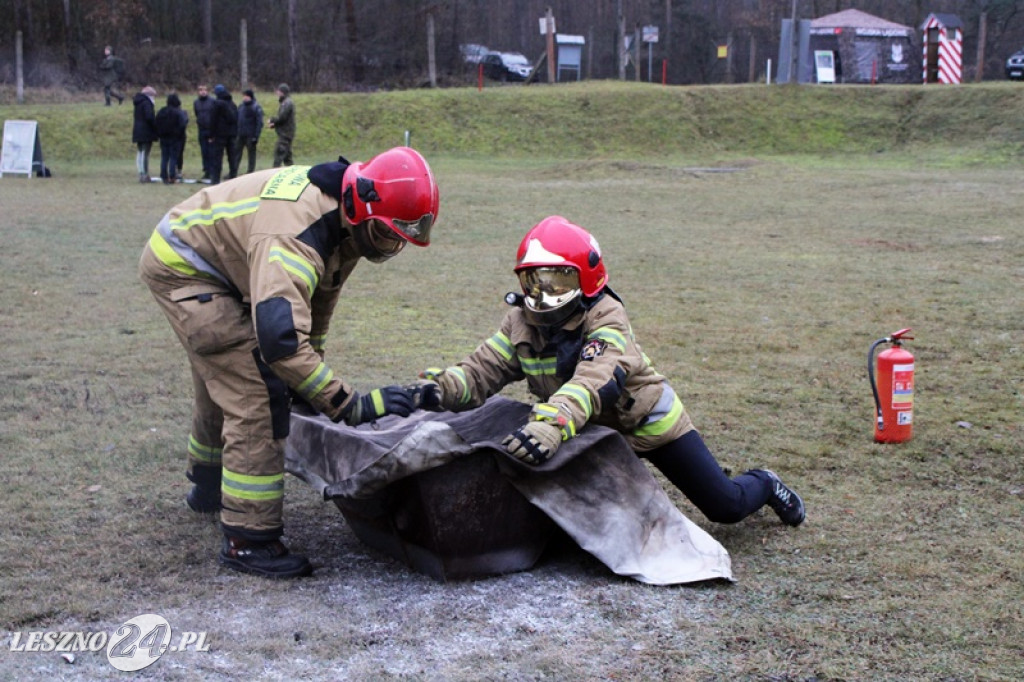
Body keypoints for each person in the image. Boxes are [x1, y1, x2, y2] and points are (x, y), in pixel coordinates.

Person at [138, 146, 440, 578]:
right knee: (255, 393)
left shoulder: (350, 220)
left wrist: (309, 376)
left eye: (400, 238)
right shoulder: (297, 232)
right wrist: (348, 404)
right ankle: (249, 539)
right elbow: (280, 342)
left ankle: (208, 484)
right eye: (387, 234)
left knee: (222, 376)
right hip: (187, 267)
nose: (390, 245)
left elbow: (318, 299)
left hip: (216, 257)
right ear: (360, 207)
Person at [416, 216, 806, 529]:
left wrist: (552, 423)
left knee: (725, 506)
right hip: (586, 433)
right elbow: (482, 368)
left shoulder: (607, 317)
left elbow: (595, 378)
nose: (543, 295)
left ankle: (765, 482)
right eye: (533, 281)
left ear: (587, 278)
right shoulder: (520, 321)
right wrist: (443, 388)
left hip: (647, 425)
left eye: (558, 280)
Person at [155, 93, 189, 184]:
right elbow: (183, 124)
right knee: (173, 157)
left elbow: (156, 123)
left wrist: (159, 134)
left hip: (163, 138)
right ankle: (172, 175)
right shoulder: (178, 112)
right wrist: (179, 134)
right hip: (175, 138)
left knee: (164, 157)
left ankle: (163, 175)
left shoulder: (162, 111)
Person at [208, 84, 239, 184]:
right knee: (232, 157)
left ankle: (215, 180)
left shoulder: (216, 104)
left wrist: (211, 135)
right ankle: (234, 176)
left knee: (217, 158)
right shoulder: (233, 104)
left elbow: (213, 120)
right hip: (232, 135)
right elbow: (236, 119)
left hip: (219, 135)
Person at [132, 86, 158, 183]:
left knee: (140, 152)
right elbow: (149, 117)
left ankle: (140, 172)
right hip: (146, 131)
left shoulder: (138, 103)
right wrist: (155, 126)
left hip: (138, 130)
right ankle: (145, 174)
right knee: (145, 153)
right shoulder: (147, 103)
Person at [235, 89, 264, 175]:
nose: (245, 98)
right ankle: (234, 170)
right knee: (236, 153)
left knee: (251, 154)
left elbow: (259, 123)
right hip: (240, 134)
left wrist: (256, 136)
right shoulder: (241, 106)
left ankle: (250, 171)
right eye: (244, 96)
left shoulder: (256, 107)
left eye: (246, 96)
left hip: (250, 135)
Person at [268, 83, 295, 167]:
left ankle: (273, 175)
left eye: (278, 91)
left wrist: (272, 120)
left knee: (278, 155)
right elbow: (284, 121)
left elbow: (282, 117)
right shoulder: (285, 102)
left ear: (283, 92)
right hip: (286, 133)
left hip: (285, 135)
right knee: (287, 158)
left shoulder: (287, 103)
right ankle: (292, 174)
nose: (277, 93)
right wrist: (275, 125)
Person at [193, 84, 216, 182]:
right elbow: (196, 114)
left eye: (205, 90)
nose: (203, 92)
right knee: (204, 151)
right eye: (201, 90)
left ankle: (212, 170)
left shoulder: (212, 102)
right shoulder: (196, 102)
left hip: (211, 129)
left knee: (211, 151)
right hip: (201, 130)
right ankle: (206, 170)